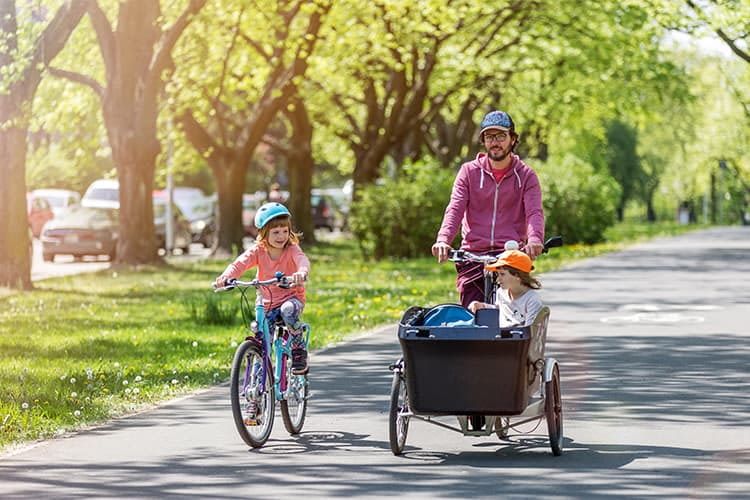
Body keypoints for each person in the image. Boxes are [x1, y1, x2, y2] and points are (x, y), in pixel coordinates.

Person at [431, 109, 545, 307]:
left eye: (501, 136)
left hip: (509, 254)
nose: (495, 142)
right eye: (489, 136)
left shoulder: (526, 175)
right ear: (483, 141)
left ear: (512, 139)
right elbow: (455, 208)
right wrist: (443, 240)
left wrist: (535, 240)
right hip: (473, 253)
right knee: (471, 314)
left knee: (513, 316)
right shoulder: (469, 172)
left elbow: (534, 212)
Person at [215, 202, 311, 375]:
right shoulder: (258, 251)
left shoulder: (291, 249)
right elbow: (240, 263)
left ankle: (298, 348)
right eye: (276, 232)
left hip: (291, 297)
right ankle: (259, 377)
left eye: (285, 231)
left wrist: (301, 272)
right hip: (266, 301)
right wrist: (226, 276)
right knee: (261, 334)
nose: (281, 236)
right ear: (263, 234)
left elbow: (302, 260)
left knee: (288, 310)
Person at [466, 249, 543, 327]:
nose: (498, 279)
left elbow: (530, 332)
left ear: (517, 276)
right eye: (498, 274)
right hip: (500, 336)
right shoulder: (501, 292)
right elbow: (500, 310)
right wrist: (482, 306)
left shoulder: (532, 300)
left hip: (516, 338)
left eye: (502, 274)